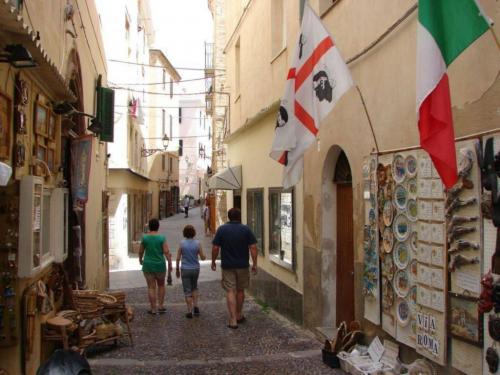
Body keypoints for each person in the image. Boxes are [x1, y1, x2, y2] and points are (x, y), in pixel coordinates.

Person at [211, 208, 258, 329]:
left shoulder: (222, 229)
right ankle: (238, 314)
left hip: (228, 265)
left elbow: (215, 247)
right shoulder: (245, 229)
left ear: (229, 217)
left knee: (230, 291)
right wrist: (255, 263)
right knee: (240, 290)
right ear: (239, 217)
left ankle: (232, 319)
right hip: (242, 264)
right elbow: (253, 247)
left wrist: (213, 261)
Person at [139, 218, 172, 315]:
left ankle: (153, 308)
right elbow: (166, 252)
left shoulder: (145, 238)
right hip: (160, 265)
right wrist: (170, 263)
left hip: (148, 265)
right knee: (161, 285)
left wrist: (140, 259)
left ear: (149, 227)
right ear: (158, 227)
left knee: (151, 287)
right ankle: (160, 306)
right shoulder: (162, 238)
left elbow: (141, 251)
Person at [175, 225, 206, 318]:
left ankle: (189, 311)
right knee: (194, 287)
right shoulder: (197, 243)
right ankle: (196, 307)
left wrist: (177, 269)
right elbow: (202, 257)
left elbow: (177, 258)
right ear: (193, 233)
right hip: (195, 269)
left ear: (184, 233)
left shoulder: (182, 243)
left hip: (185, 269)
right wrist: (205, 257)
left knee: (187, 290)